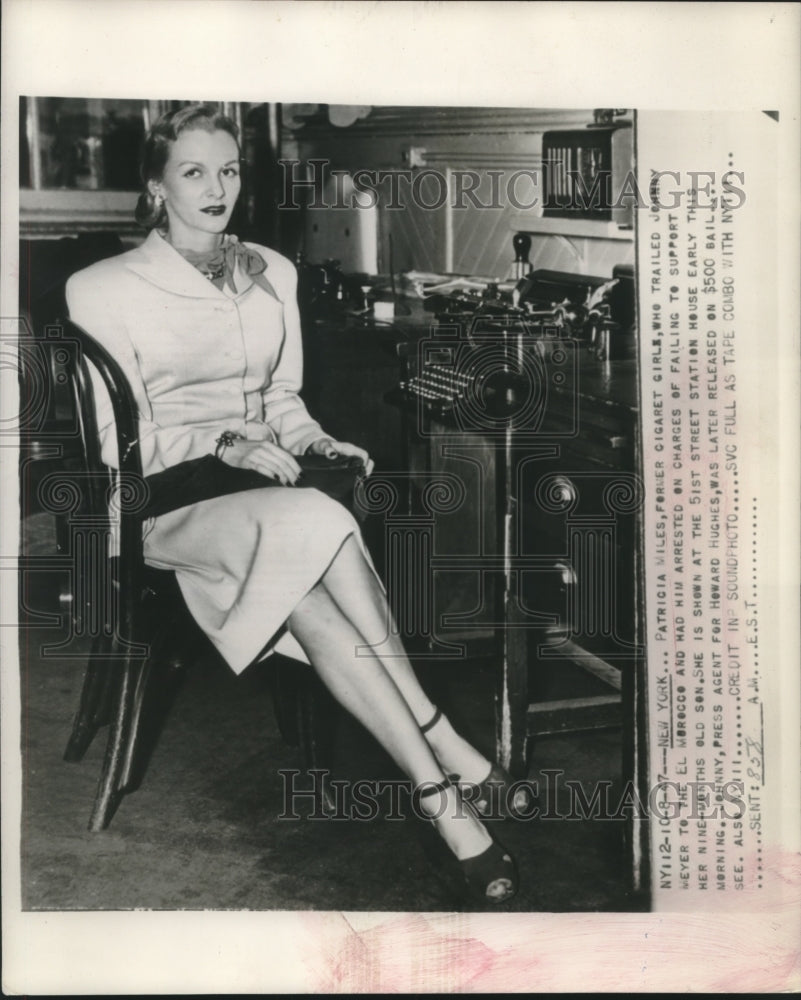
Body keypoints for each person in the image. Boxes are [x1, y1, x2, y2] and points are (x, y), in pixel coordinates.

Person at [66, 103, 526, 903]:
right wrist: (221, 446)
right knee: (321, 525)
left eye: (229, 169)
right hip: (156, 506)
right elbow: (113, 447)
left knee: (310, 568)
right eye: (193, 171)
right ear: (155, 185)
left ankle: (438, 798)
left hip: (254, 498)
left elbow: (281, 398)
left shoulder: (271, 270)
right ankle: (442, 749)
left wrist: (315, 442)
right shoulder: (102, 288)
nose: (217, 189)